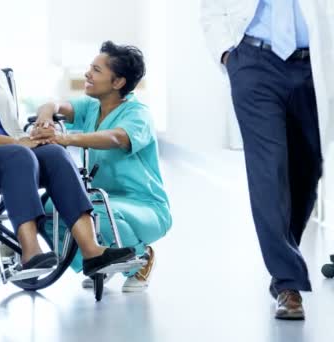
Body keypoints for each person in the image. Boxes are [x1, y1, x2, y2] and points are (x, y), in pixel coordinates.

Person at [0, 3, 136, 275]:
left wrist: (34, 136)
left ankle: (91, 251)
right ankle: (30, 252)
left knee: (53, 152)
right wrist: (16, 144)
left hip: (11, 153)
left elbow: (11, 125)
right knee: (19, 155)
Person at [200, 0, 333, 320]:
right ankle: (288, 283)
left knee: (307, 170)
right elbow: (211, 8)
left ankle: (285, 257)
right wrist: (227, 55)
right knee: (269, 170)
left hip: (314, 65)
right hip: (254, 62)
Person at [31, 41, 172, 292]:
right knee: (48, 211)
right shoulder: (92, 106)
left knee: (93, 212)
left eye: (96, 70)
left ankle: (140, 258)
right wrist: (45, 118)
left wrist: (66, 138)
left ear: (118, 82)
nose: (87, 74)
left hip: (144, 205)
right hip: (102, 199)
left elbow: (117, 138)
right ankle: (98, 261)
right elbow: (54, 103)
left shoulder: (138, 114)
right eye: (90, 68)